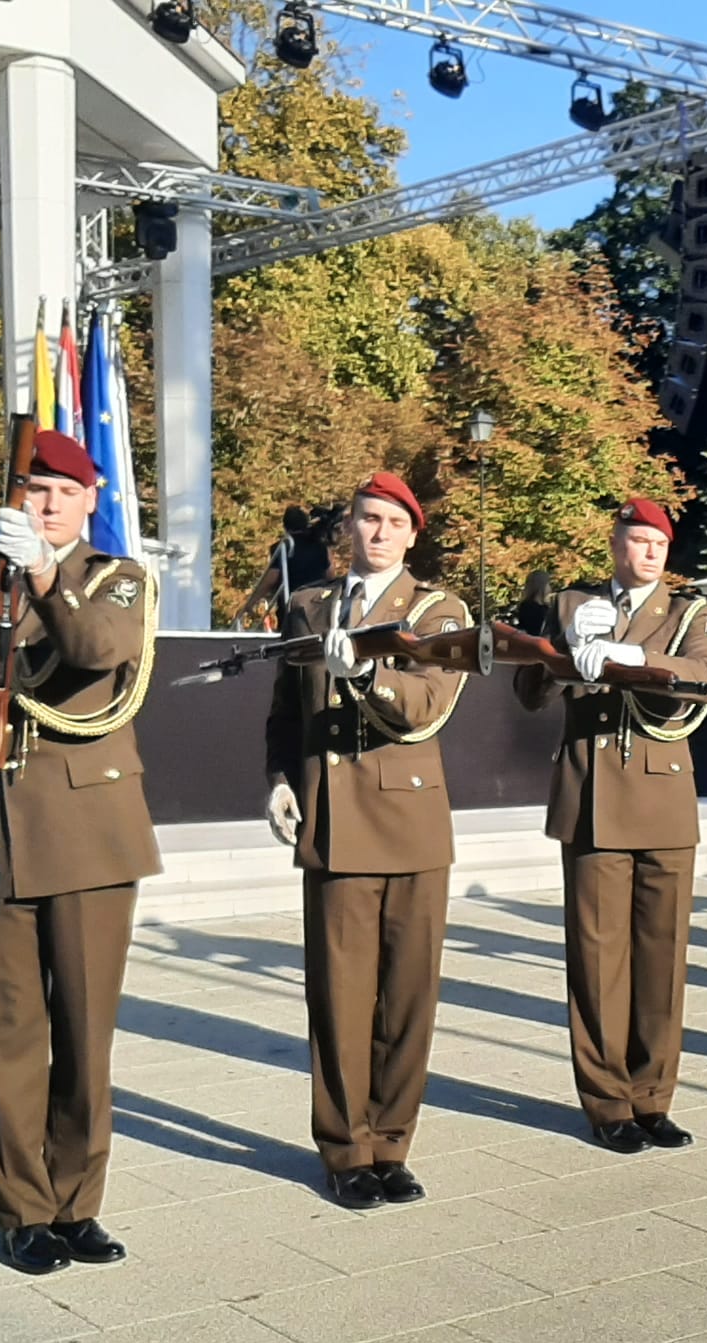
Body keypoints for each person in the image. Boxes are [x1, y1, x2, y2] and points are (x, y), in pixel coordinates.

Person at [0, 430, 160, 1274]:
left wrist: (42, 574)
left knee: (84, 1030)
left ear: (91, 500)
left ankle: (77, 1204)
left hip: (89, 835)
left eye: (62, 493)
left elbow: (96, 653)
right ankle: (21, 1208)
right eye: (33, 490)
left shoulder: (117, 579)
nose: (46, 504)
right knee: (8, 1032)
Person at [263, 472, 470, 1210]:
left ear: (412, 534)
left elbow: (427, 702)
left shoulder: (438, 609)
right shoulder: (308, 606)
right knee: (340, 997)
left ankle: (392, 1142)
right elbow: (286, 713)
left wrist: (373, 670)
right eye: (365, 519)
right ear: (347, 528)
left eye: (390, 521)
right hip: (334, 822)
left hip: (409, 823)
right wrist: (281, 780)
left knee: (407, 996)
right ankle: (346, 1148)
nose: (376, 532)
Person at [514, 497, 707, 1152]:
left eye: (659, 543)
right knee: (598, 962)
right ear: (616, 544)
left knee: (660, 962)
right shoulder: (574, 607)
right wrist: (568, 653)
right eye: (638, 540)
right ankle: (608, 1103)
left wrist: (624, 658)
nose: (650, 552)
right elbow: (528, 692)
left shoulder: (692, 611)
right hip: (594, 800)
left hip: (662, 802)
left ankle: (653, 1097)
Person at [511, 569, 555, 636]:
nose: (550, 587)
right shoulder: (530, 607)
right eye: (548, 584)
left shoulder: (544, 607)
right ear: (541, 586)